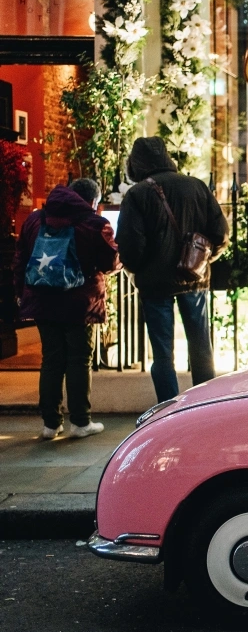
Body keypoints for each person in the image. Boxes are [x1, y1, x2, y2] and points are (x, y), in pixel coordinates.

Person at [116, 137, 228, 402]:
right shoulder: (196, 186)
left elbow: (131, 245)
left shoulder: (138, 194)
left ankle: (169, 407)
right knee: (201, 345)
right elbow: (220, 232)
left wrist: (138, 269)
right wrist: (202, 260)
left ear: (137, 163)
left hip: (155, 283)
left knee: (163, 352)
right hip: (194, 278)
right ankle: (206, 403)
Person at [12, 178, 119, 439]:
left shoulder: (36, 219)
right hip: (79, 303)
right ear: (93, 201)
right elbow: (110, 263)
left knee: (51, 358)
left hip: (42, 299)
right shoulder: (94, 224)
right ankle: (81, 422)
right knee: (79, 359)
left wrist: (21, 293)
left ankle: (50, 424)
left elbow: (21, 258)